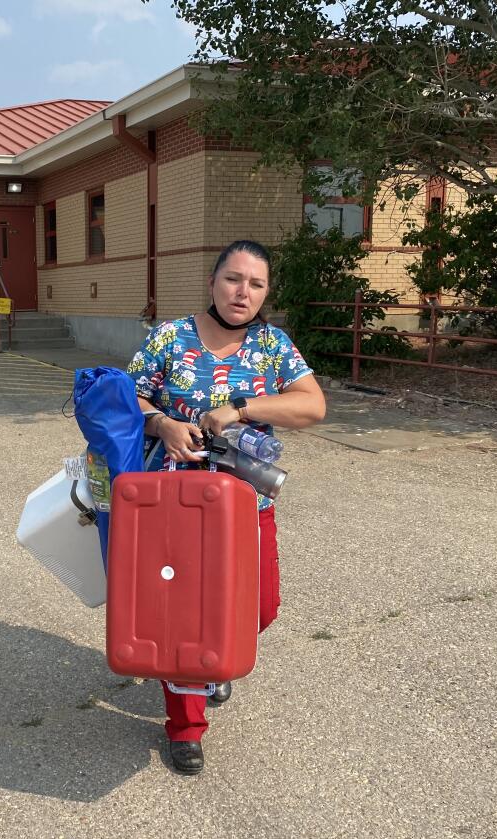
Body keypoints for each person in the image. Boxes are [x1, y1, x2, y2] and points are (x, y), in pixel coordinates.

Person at [126, 239, 326, 775]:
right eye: (234, 279)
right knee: (180, 614)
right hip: (174, 500)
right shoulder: (169, 336)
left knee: (259, 606)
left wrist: (240, 408)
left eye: (256, 284)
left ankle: (217, 661)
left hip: (242, 502)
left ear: (266, 294)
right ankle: (184, 728)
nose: (244, 292)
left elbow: (312, 405)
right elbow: (126, 395)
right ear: (213, 283)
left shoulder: (271, 345)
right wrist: (162, 423)